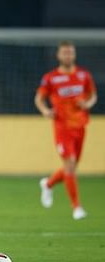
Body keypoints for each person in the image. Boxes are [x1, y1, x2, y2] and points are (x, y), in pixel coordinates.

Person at [35, 40, 97, 220]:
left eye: (70, 53)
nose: (68, 56)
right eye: (65, 53)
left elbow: (93, 95)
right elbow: (39, 98)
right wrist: (46, 111)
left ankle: (48, 183)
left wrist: (87, 103)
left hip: (80, 126)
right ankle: (77, 207)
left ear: (74, 54)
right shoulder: (51, 78)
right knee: (70, 166)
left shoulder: (84, 75)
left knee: (71, 167)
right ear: (59, 55)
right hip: (62, 127)